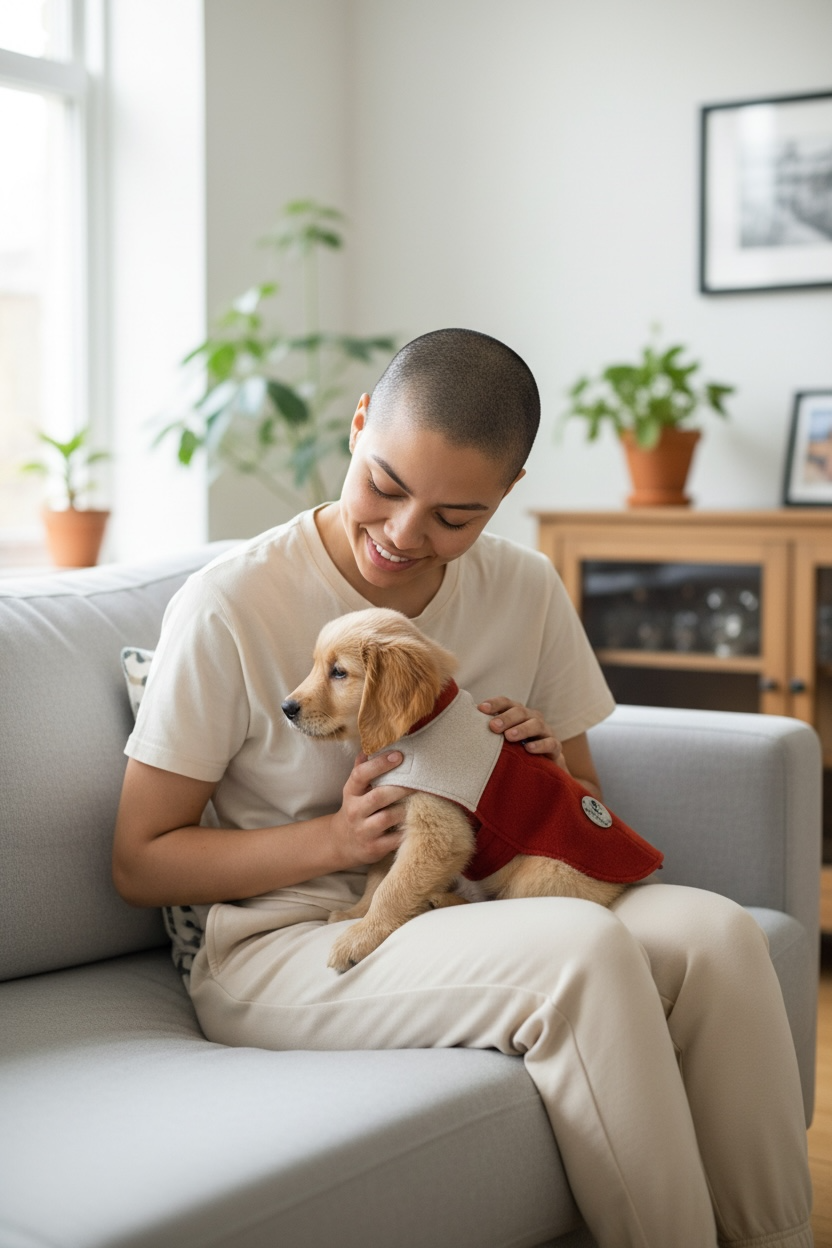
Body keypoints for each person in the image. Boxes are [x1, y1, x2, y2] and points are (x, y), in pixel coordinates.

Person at [114, 328, 813, 1248]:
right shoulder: (229, 603)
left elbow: (582, 794)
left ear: (506, 495)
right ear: (360, 425)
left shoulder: (522, 586)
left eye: (455, 516)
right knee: (582, 954)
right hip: (292, 941)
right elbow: (140, 860)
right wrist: (335, 841)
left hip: (476, 900)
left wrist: (542, 765)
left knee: (719, 935)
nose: (404, 537)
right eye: (387, 486)